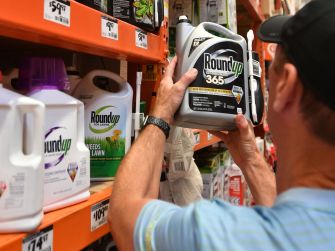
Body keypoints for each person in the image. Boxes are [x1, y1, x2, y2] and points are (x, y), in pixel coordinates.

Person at [108, 0, 335, 250]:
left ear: (285, 87)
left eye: (270, 77)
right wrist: (250, 160)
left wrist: (160, 114)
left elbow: (123, 217)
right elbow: (292, 223)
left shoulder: (220, 235)